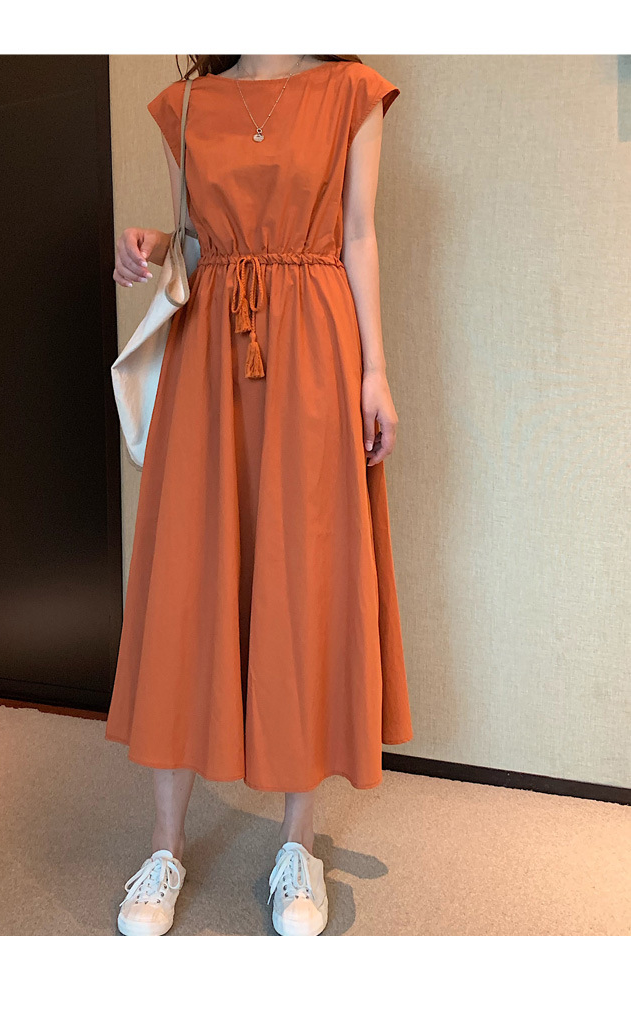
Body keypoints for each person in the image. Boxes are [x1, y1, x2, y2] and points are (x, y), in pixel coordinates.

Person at [105, 54, 413, 937]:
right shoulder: (185, 103)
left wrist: (376, 372)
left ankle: (296, 846)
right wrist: (158, 245)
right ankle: (164, 846)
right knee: (186, 583)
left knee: (301, 583)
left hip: (315, 351)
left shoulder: (352, 91)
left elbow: (358, 235)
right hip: (209, 357)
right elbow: (198, 242)